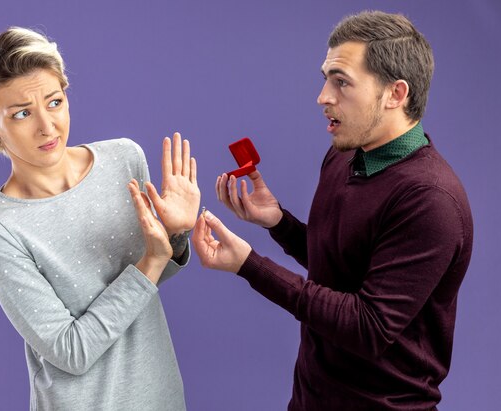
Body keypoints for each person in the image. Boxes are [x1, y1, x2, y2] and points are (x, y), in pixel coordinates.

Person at [192, 11, 473, 411]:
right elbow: (342, 271)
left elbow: (368, 326)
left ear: (396, 94)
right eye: (326, 78)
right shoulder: (343, 158)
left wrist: (249, 265)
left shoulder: (430, 200)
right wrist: (279, 222)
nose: (323, 96)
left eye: (341, 82)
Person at [0, 27, 200, 410]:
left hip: (161, 398)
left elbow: (149, 279)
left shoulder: (123, 159)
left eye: (54, 102)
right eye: (22, 113)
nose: (47, 126)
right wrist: (152, 261)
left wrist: (175, 236)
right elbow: (71, 351)